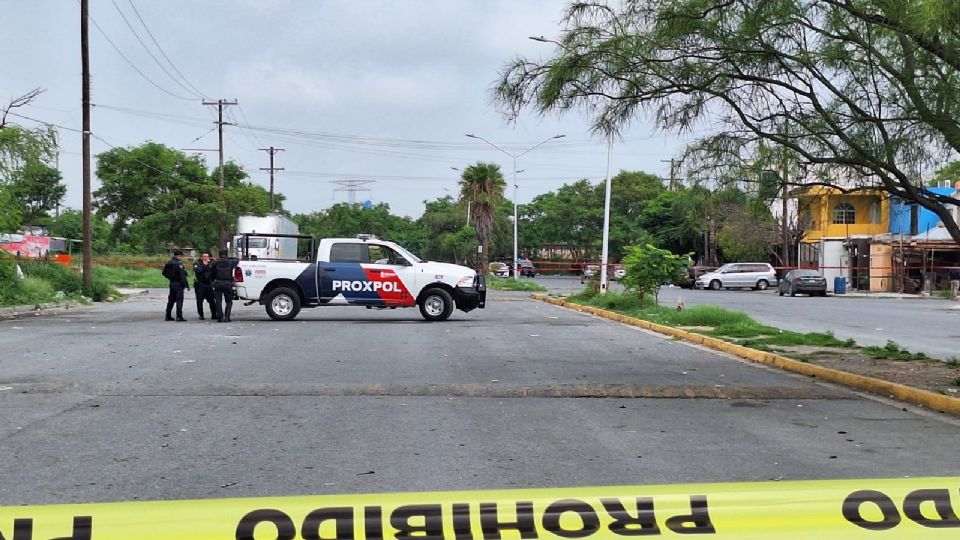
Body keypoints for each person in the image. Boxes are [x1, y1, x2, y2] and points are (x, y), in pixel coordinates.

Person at [162, 250, 189, 321]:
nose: (182, 258)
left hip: (172, 283)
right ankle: (179, 316)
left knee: (171, 300)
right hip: (179, 284)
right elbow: (183, 276)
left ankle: (168, 315)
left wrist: (170, 278)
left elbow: (164, 273)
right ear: (178, 256)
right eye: (181, 256)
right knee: (179, 300)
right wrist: (186, 285)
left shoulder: (169, 263)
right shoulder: (179, 264)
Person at [212, 249, 237, 322]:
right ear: (227, 255)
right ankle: (227, 317)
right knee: (229, 301)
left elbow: (212, 273)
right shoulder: (230, 263)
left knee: (218, 301)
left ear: (219, 255)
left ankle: (220, 317)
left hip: (218, 283)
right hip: (228, 284)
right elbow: (237, 260)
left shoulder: (216, 263)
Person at [192, 251, 217, 320]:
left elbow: (213, 273)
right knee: (199, 301)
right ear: (201, 257)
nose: (206, 258)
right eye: (204, 257)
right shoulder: (197, 263)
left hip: (209, 284)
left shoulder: (210, 264)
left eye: (207, 257)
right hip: (200, 284)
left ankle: (214, 314)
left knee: (212, 300)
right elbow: (198, 270)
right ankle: (201, 315)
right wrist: (207, 268)